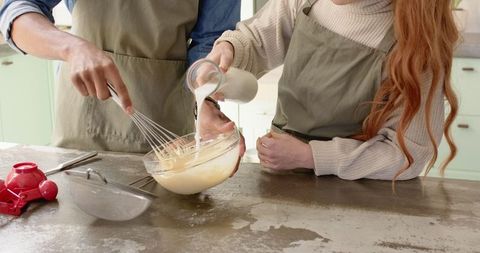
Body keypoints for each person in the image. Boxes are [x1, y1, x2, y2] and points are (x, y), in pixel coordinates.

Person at [201, 0, 459, 180]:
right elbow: (256, 40)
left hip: (355, 195)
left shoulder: (413, 44)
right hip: (281, 178)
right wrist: (229, 49)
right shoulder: (307, 3)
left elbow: (406, 155)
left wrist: (311, 156)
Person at [0, 0, 240, 152]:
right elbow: (16, 10)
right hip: (84, 127)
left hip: (168, 129)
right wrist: (72, 48)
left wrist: (205, 101)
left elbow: (211, 40)